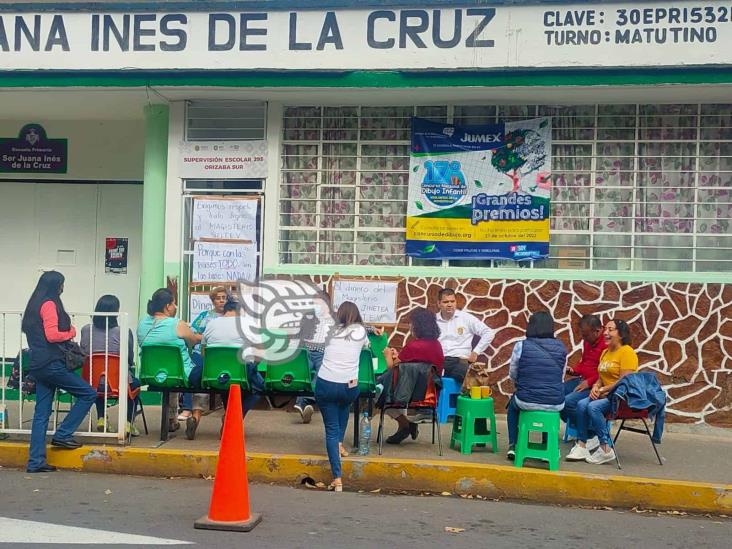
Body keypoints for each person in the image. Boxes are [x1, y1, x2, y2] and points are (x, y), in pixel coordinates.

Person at [22, 271, 97, 473]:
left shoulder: (33, 305)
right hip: (51, 363)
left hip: (38, 365)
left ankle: (36, 462)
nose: (63, 288)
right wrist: (71, 332)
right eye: (62, 284)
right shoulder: (48, 304)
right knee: (88, 393)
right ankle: (63, 434)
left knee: (41, 414)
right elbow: (53, 335)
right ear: (57, 286)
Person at [566, 318, 639, 465]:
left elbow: (625, 381)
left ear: (621, 334)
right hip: (604, 394)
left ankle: (605, 449)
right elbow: (601, 375)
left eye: (610, 330)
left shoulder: (627, 352)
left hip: (620, 397)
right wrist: (595, 386)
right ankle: (582, 445)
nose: (606, 332)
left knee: (593, 407)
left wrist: (604, 389)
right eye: (606, 329)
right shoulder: (606, 352)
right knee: (581, 404)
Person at [315, 301, 369, 493]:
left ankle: (337, 477)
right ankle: (339, 444)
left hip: (325, 384)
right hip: (349, 387)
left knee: (331, 429)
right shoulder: (361, 332)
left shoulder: (329, 329)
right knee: (344, 407)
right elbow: (367, 348)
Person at [137, 288, 203, 438]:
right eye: (174, 304)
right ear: (167, 306)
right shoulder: (177, 324)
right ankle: (195, 413)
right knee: (201, 366)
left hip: (152, 375)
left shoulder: (141, 324)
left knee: (171, 375)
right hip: (182, 375)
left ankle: (172, 419)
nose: (175, 307)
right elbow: (192, 341)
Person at [506, 311, 567, 460]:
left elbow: (513, 373)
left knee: (512, 407)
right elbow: (562, 376)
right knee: (547, 408)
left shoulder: (521, 346)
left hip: (526, 400)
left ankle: (513, 445)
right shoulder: (561, 347)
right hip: (555, 402)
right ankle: (549, 446)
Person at [80, 295, 142, 436]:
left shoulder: (86, 330)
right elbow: (129, 359)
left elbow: (83, 353)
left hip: (91, 382)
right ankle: (128, 423)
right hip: (118, 383)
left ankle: (101, 418)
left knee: (98, 384)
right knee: (134, 384)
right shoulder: (123, 331)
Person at [202, 297, 264, 435]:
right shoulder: (247, 323)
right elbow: (260, 352)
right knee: (259, 386)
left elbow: (204, 352)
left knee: (225, 384)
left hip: (215, 374)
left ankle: (230, 417)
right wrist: (253, 365)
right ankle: (234, 418)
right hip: (240, 372)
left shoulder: (211, 324)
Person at [382, 307, 444, 444]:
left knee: (379, 393)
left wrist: (388, 355)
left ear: (418, 325)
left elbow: (391, 368)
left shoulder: (413, 346)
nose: (410, 326)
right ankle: (404, 427)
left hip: (410, 395)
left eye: (411, 323)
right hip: (430, 395)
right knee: (401, 387)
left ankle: (405, 424)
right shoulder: (437, 345)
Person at [179, 286, 228, 421]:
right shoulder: (205, 316)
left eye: (224, 298)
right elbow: (193, 334)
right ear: (213, 300)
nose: (221, 301)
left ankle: (227, 411)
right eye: (218, 298)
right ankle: (187, 408)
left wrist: (207, 336)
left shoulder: (230, 317)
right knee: (193, 374)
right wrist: (206, 337)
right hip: (200, 351)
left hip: (220, 354)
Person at [435, 288, 495, 384]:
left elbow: (488, 332)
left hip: (460, 362)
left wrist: (475, 352)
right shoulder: (433, 321)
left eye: (452, 301)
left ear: (456, 302)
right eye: (445, 302)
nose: (450, 304)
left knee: (465, 376)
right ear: (439, 304)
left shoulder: (466, 318)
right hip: (439, 360)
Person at [293, 292, 335, 424]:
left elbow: (352, 325)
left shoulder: (335, 317)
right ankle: (306, 403)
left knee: (321, 372)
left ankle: (303, 402)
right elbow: (300, 333)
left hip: (324, 353)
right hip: (306, 351)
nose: (316, 306)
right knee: (302, 371)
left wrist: (371, 329)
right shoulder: (308, 316)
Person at [560, 314, 606, 435]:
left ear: (597, 331)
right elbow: (584, 362)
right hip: (582, 380)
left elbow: (606, 371)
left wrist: (589, 382)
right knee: (556, 394)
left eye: (585, 335)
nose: (583, 338)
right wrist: (573, 371)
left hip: (597, 385)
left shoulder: (607, 344)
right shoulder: (588, 342)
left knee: (568, 402)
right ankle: (579, 428)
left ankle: (592, 433)